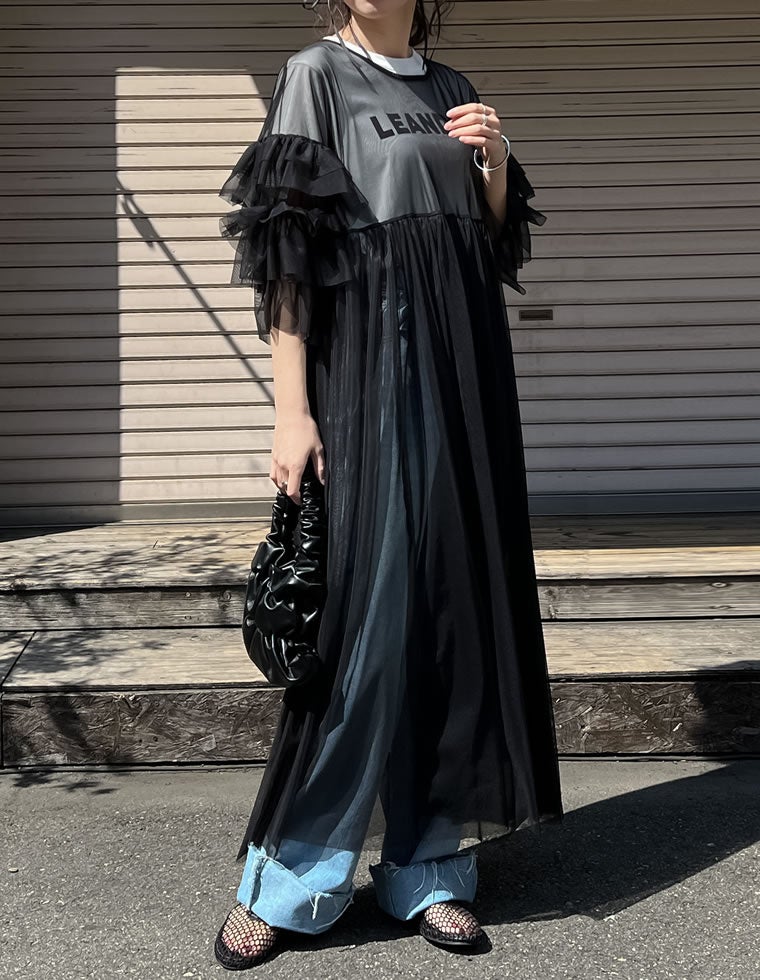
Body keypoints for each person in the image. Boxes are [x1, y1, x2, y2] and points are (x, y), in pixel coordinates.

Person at [213, 0, 564, 968]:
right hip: (368, 362)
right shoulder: (316, 76)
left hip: (463, 368)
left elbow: (490, 242)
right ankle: (294, 875)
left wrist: (494, 163)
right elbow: (287, 253)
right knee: (367, 611)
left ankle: (429, 866)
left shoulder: (452, 87)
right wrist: (291, 410)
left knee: (450, 603)